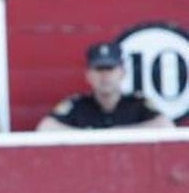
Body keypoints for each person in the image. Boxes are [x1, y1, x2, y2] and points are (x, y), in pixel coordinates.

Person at [36, 42, 174, 130]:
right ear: (88, 75)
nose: (105, 76)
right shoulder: (78, 106)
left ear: (122, 73)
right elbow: (45, 127)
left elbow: (166, 126)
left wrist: (120, 133)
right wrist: (90, 137)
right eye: (99, 69)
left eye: (110, 69)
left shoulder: (137, 104)